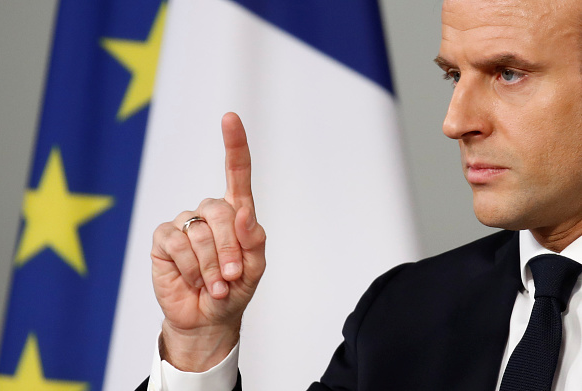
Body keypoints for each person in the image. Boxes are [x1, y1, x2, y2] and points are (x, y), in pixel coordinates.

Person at [138, 0, 582, 389]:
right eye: (453, 74)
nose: (455, 122)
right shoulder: (404, 312)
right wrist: (198, 352)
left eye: (508, 74)